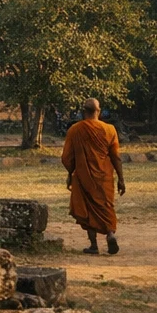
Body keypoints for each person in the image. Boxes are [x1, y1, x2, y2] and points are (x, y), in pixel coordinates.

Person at [62, 97, 125, 255]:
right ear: (99, 111)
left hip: (83, 177)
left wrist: (71, 173)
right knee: (105, 206)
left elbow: (66, 158)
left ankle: (94, 245)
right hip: (104, 177)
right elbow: (116, 157)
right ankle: (110, 234)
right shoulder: (110, 130)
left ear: (84, 111)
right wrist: (121, 179)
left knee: (88, 209)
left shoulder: (75, 130)